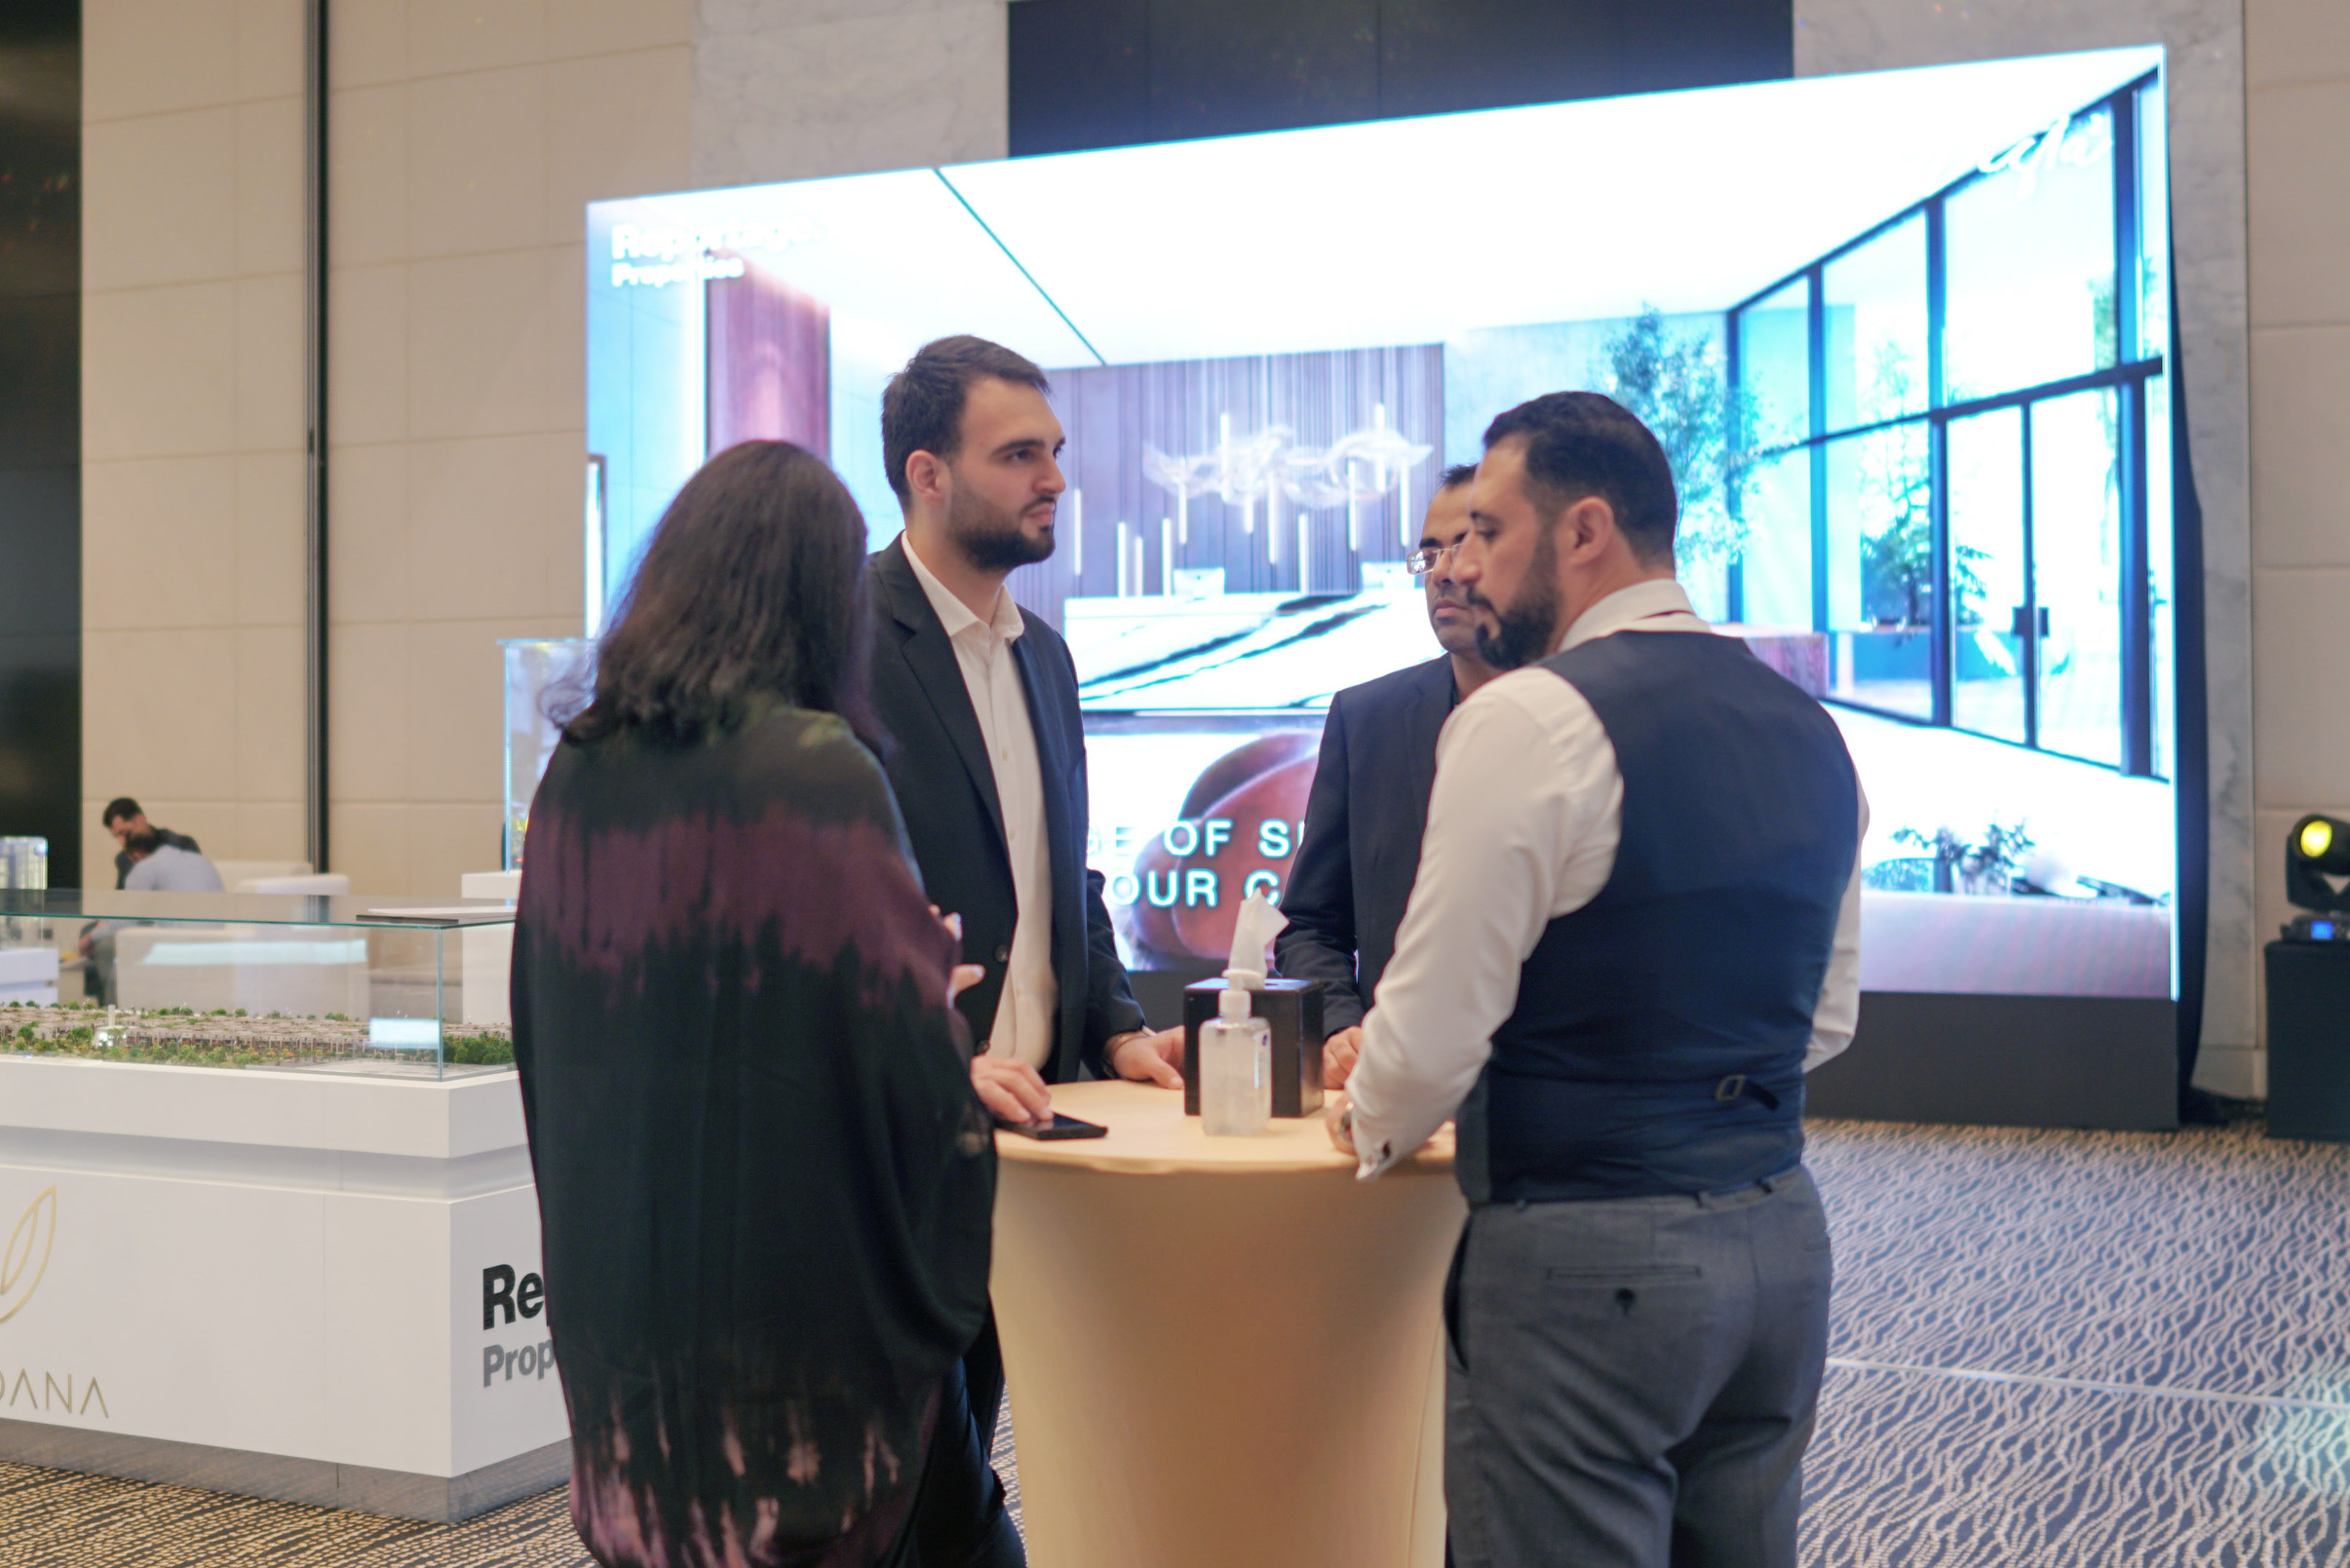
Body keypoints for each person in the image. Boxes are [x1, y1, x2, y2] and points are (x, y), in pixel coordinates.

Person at [1327, 392, 1865, 1568]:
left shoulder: (1529, 717)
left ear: (1581, 532)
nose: (1464, 565)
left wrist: (1362, 1116)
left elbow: (1428, 1032)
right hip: (1779, 1237)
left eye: (1488, 530)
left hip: (1582, 1261)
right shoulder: (1807, 725)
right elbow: (1823, 1018)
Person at [511, 440, 998, 1568]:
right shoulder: (815, 770)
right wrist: (931, 985)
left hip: (623, 1295)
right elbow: (904, 1069)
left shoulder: (581, 768)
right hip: (793, 1334)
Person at [865, 334, 1183, 1568]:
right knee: (923, 1495)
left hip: (1030, 1134)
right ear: (927, 473)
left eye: (1052, 451)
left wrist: (1114, 1022)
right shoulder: (844, 637)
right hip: (898, 1129)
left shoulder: (1043, 654)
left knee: (964, 1447)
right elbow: (817, 908)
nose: (1053, 478)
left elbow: (1065, 873)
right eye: (1017, 455)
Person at [1276, 463, 1500, 1087]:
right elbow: (1310, 927)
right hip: (1398, 1090)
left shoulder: (1592, 712)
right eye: (1429, 553)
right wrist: (1340, 1024)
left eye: (1465, 546)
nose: (1443, 573)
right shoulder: (1366, 717)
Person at [100, 798, 200, 890]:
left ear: (139, 819)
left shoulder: (182, 845)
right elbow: (122, 898)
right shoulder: (124, 859)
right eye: (117, 837)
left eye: (126, 833)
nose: (122, 842)